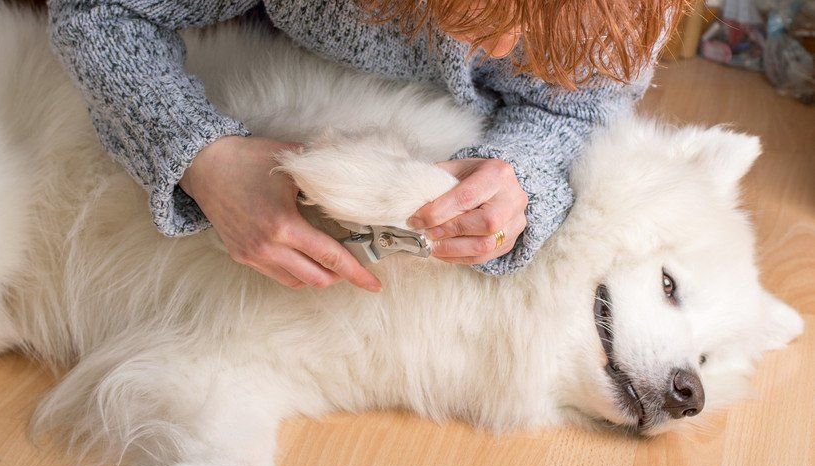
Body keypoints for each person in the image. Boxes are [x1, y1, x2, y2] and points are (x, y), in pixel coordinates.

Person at [48, 0, 683, 292]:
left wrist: (524, 174)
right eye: (487, 13)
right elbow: (96, 10)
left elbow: (581, 109)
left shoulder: (622, 13)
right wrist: (199, 156)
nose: (494, 49)